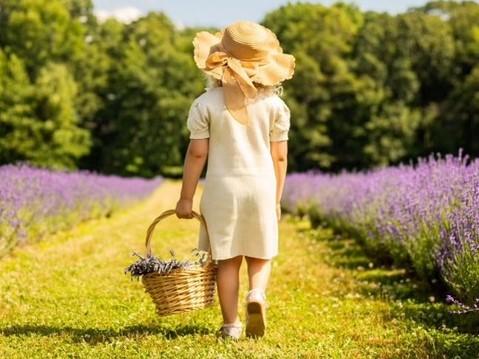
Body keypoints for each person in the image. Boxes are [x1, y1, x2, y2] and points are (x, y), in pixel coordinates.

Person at [175, 20, 295, 340]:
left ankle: (230, 325)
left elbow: (197, 155)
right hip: (261, 187)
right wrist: (276, 200)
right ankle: (256, 295)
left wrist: (186, 198)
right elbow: (280, 157)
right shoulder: (275, 107)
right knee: (260, 252)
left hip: (221, 189)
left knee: (226, 260)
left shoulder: (204, 105)